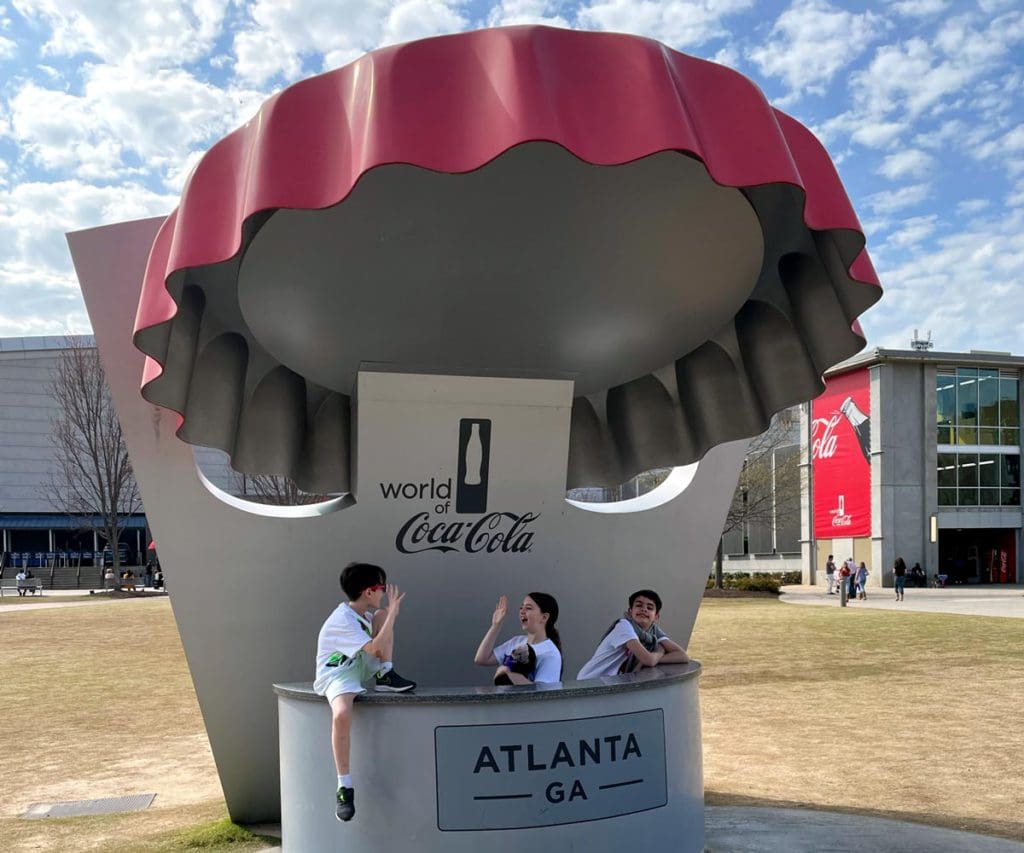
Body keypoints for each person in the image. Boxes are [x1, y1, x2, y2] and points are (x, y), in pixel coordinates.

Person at [313, 562, 416, 823]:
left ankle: (385, 675)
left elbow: (376, 649)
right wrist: (393, 613)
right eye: (381, 587)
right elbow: (376, 648)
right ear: (368, 591)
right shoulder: (341, 620)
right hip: (338, 674)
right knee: (342, 714)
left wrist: (387, 615)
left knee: (382, 616)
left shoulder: (367, 615)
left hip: (359, 663)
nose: (384, 592)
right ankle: (344, 787)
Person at [577, 589, 690, 680]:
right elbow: (648, 660)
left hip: (609, 683)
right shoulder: (624, 626)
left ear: (656, 617)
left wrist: (653, 659)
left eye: (649, 608)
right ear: (630, 612)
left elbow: (683, 656)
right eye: (639, 605)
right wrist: (660, 651)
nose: (644, 609)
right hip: (590, 681)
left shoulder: (653, 631)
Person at [474, 592, 563, 684]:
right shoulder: (516, 641)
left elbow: (541, 693)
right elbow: (481, 659)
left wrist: (508, 673)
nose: (522, 611)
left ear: (544, 617)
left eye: (528, 608)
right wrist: (496, 625)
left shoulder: (550, 653)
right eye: (521, 607)